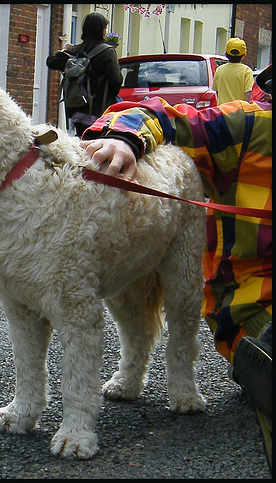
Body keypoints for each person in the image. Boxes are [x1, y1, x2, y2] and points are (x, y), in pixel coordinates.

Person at [79, 64, 272, 471]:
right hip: (256, 305)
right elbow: (155, 113)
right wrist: (124, 140)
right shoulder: (251, 125)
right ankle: (196, 370)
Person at [46, 12, 122, 136]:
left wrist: (64, 50)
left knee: (82, 142)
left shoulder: (75, 50)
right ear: (100, 30)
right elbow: (116, 80)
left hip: (76, 110)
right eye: (105, 28)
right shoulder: (107, 52)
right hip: (99, 111)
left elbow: (51, 62)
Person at [212, 37, 254, 103]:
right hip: (239, 111)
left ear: (226, 54)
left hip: (222, 110)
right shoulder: (247, 71)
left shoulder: (219, 70)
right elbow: (248, 93)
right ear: (244, 55)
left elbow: (217, 92)